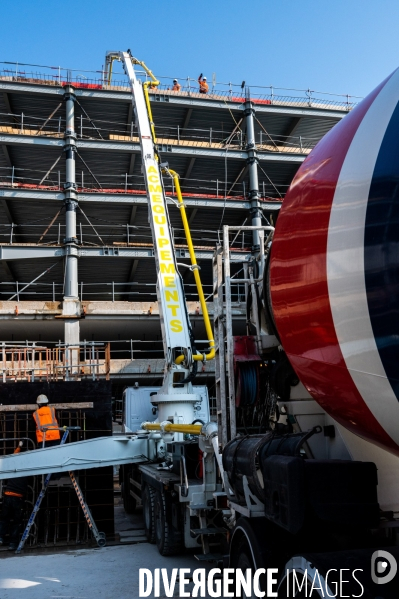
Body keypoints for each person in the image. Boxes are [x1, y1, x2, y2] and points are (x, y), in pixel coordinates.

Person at [0, 442, 30, 551]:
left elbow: (14, 455)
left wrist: (19, 446)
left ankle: (0, 537)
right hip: (18, 497)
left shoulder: (14, 464)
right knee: (16, 522)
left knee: (4, 519)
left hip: (8, 495)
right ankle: (12, 543)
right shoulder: (28, 467)